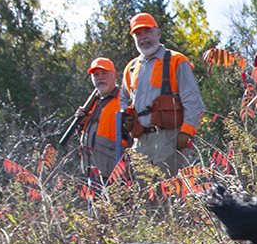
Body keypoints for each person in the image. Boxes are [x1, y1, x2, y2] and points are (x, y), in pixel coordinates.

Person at [122, 12, 205, 175]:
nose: (143, 37)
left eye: (147, 31)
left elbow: (193, 102)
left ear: (158, 33)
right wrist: (127, 117)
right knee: (145, 196)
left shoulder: (177, 60)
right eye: (138, 34)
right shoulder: (131, 68)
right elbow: (123, 99)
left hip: (169, 140)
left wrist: (187, 131)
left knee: (172, 195)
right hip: (140, 143)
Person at [78, 57, 131, 190]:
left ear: (115, 76)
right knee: (95, 211)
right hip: (93, 174)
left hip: (116, 176)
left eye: (104, 73)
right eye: (96, 75)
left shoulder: (124, 100)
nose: (100, 77)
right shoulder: (93, 103)